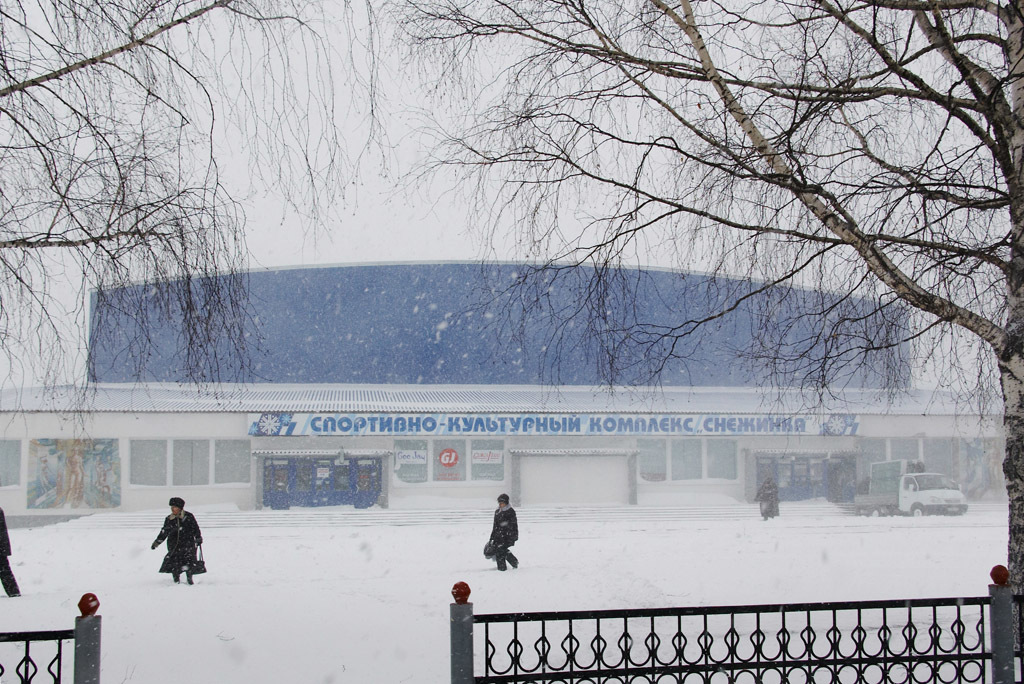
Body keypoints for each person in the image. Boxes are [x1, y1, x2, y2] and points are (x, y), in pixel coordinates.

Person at [151, 497, 203, 584]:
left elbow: (195, 528)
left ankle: (189, 579)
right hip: (174, 545)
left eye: (174, 507)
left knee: (189, 562)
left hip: (188, 544)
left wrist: (198, 538)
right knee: (175, 563)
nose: (172, 509)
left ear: (180, 507)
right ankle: (176, 579)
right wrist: (156, 543)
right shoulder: (169, 519)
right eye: (171, 507)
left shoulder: (189, 516)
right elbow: (164, 532)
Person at [489, 493, 519, 571]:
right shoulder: (497, 512)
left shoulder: (510, 511)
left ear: (506, 503)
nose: (501, 504)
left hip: (508, 536)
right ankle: (513, 562)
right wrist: (492, 537)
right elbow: (495, 525)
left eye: (502, 503)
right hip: (498, 536)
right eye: (499, 503)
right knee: (501, 550)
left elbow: (513, 524)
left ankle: (502, 568)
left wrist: (507, 527)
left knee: (500, 550)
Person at [0, 505, 21, 597]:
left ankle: (14, 592)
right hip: (1, 547)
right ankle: (13, 592)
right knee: (4, 570)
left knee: (4, 570)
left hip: (1, 546)